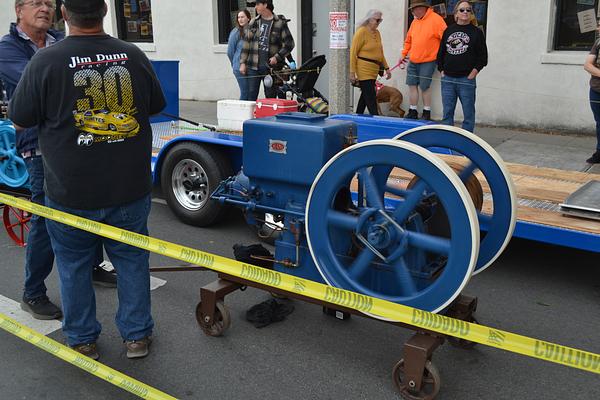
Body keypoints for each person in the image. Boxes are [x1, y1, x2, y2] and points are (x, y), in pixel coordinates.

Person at [8, 0, 166, 360]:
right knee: (131, 261)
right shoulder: (132, 54)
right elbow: (155, 106)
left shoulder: (45, 60)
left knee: (74, 266)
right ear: (105, 11)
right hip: (128, 187)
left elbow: (19, 119)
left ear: (65, 14)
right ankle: (137, 336)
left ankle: (82, 338)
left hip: (70, 191)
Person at [0, 0, 116, 322]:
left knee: (90, 202)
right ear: (18, 10)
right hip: (39, 147)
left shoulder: (62, 41)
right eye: (36, 2)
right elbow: (49, 86)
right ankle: (33, 292)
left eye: (49, 3)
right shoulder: (7, 49)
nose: (45, 8)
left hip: (78, 140)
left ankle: (92, 266)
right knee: (43, 216)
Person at [437, 1, 487, 133]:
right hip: (447, 79)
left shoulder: (477, 32)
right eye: (462, 10)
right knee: (447, 113)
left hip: (466, 79)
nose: (465, 12)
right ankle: (447, 138)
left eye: (468, 10)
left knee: (468, 113)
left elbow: (483, 57)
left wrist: (473, 73)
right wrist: (441, 70)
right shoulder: (448, 30)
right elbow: (441, 53)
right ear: (456, 14)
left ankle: (466, 139)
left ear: (471, 14)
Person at [400, 0, 447, 120]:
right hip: (413, 60)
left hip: (429, 60)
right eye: (413, 10)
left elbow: (446, 39)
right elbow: (408, 40)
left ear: (423, 8)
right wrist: (403, 54)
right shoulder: (415, 21)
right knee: (412, 85)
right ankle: (413, 111)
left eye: (416, 9)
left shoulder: (436, 19)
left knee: (424, 86)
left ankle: (426, 112)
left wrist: (443, 58)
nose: (414, 12)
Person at [239, 0, 295, 101]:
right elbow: (246, 44)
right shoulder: (254, 22)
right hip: (253, 67)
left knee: (270, 98)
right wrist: (242, 63)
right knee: (251, 97)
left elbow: (289, 44)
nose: (255, 7)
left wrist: (277, 57)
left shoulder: (280, 23)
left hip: (271, 69)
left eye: (257, 4)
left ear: (265, 5)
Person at [350, 9, 391, 116]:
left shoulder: (377, 33)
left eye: (380, 20)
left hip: (374, 70)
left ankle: (358, 116)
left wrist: (387, 68)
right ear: (369, 19)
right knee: (371, 96)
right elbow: (353, 53)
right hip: (363, 69)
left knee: (365, 95)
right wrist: (352, 72)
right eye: (377, 20)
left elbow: (380, 53)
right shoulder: (361, 32)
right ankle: (376, 118)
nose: (379, 23)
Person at [583, 25, 600, 164]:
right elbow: (588, 65)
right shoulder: (598, 43)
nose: (598, 28)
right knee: (599, 122)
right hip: (596, 91)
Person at [227, 9, 251, 100]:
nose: (240, 19)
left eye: (242, 17)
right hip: (239, 67)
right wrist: (235, 64)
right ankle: (241, 109)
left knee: (250, 92)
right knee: (245, 92)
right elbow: (230, 51)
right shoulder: (236, 32)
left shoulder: (251, 31)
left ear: (248, 18)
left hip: (250, 67)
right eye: (238, 17)